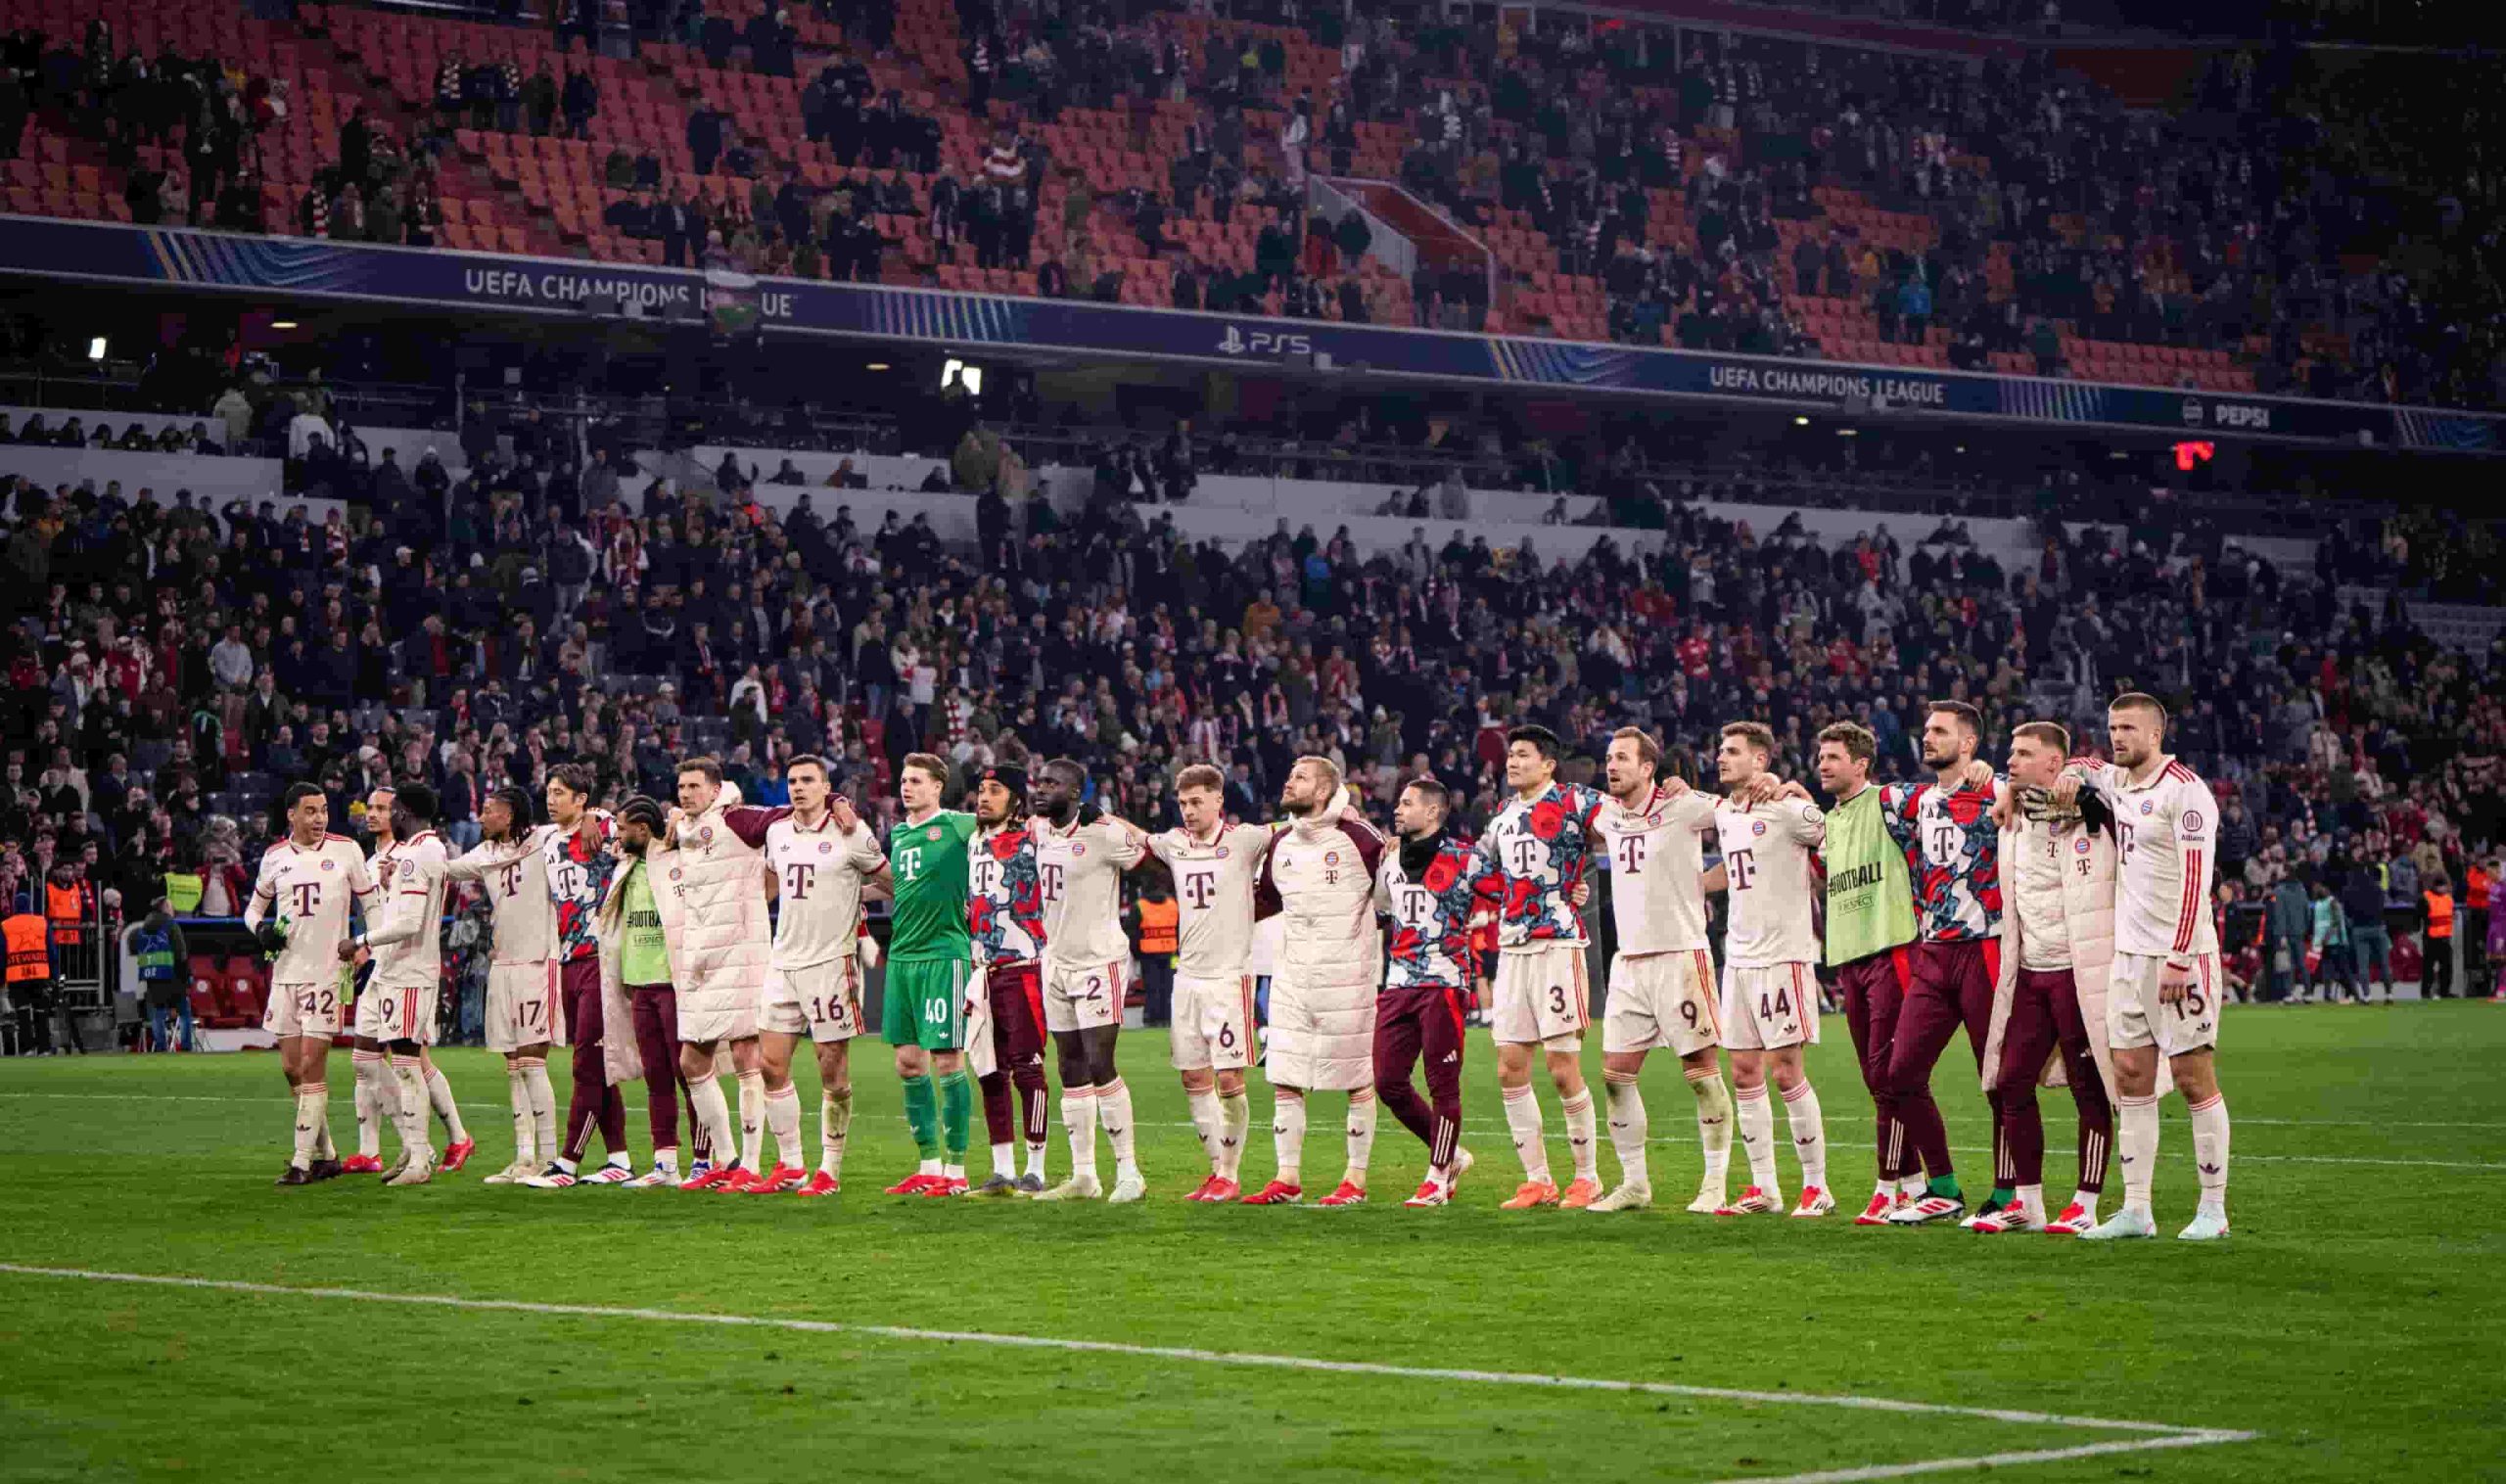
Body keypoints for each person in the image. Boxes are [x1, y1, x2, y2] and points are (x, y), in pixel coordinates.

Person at [2058, 693, 2233, 1241]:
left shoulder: (2186, 792)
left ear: (2156, 734)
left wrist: (2180, 957)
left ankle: (2212, 1210)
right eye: (2112, 727)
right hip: (2129, 959)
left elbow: (2196, 881)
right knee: (2130, 1077)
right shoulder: (2117, 781)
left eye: (2128, 728)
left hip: (2181, 957)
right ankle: (2136, 1210)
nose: (2118, 737)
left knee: (2190, 1076)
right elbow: (2087, 766)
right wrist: (2068, 772)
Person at [1971, 721, 2117, 1235]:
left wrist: (2078, 772)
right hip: (2030, 973)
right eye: (2010, 752)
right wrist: (2000, 781)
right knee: (2010, 1083)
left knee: (2089, 1088)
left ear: (2054, 764)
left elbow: (2109, 771)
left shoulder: (2087, 802)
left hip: (2078, 973)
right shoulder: (2014, 809)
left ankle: (2086, 1200)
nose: (2011, 760)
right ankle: (2027, 1203)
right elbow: (1978, 774)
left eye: (2024, 753)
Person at [1877, 701, 2013, 1227]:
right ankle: (1944, 1187)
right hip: (1934, 949)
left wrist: (1999, 777)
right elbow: (1855, 798)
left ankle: (2008, 1194)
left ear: (1969, 743)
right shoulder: (1908, 802)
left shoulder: (1996, 791)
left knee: (1998, 1077)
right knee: (1901, 1072)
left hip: (1985, 947)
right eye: (1926, 730)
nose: (1927, 738)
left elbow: (2050, 779)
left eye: (1940, 732)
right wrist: (1788, 790)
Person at [1589, 726, 1734, 1214]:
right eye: (1609, 758)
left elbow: (1742, 817)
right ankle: (1635, 1184)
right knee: (1615, 1075)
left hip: (1680, 956)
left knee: (1701, 1074)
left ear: (1648, 768)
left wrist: (1775, 785)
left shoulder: (1684, 805)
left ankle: (1714, 1183)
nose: (1612, 766)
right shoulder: (1607, 814)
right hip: (1629, 961)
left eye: (1623, 759)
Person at [1465, 723, 1609, 1209]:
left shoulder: (1575, 800)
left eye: (1523, 755)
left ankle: (1588, 1178)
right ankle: (1538, 1180)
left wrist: (1575, 879)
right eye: (1511, 755)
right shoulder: (1503, 813)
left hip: (1558, 945)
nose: (1512, 762)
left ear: (1548, 764)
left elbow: (1625, 822)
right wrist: (1512, 893)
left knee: (1562, 1067)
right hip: (1512, 948)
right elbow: (1478, 869)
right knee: (1509, 1068)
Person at [1243, 756, 1386, 1206]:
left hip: (1348, 977)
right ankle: (1287, 1178)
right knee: (1285, 1075)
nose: (1289, 782)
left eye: (1300, 777)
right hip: (1292, 976)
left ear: (1323, 790)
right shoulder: (1282, 841)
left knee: (1357, 1079)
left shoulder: (1359, 838)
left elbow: (1392, 894)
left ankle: (1354, 1181)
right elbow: (1263, 901)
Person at [1706, 722, 1833, 1217]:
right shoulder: (1723, 812)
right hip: (1737, 959)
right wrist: (1692, 886)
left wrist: (1797, 789)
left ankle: (1817, 1187)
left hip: (1783, 957)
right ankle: (1764, 1188)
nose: (1721, 757)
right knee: (1742, 1072)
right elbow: (1732, 870)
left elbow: (1834, 832)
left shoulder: (1784, 809)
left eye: (1733, 751)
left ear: (1760, 761)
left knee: (1786, 1071)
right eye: (1721, 749)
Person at [751, 755, 884, 1193]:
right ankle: (790, 1166)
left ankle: (830, 1169)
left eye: (808, 780)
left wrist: (855, 891)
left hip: (831, 964)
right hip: (783, 961)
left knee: (832, 1067)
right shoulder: (777, 832)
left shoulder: (851, 832)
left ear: (826, 787)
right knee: (769, 1065)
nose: (798, 787)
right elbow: (770, 885)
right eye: (792, 781)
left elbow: (892, 881)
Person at [1812, 721, 1928, 1224]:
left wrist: (1979, 774)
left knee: (1889, 1076)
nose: (1822, 763)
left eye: (1833, 756)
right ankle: (1916, 1182)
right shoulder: (1831, 822)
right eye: (1820, 756)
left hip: (1891, 950)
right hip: (1848, 958)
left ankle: (1888, 1187)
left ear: (1860, 764)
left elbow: (1942, 798)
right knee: (1873, 1078)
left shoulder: (1890, 801)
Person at [1138, 764, 1270, 1202]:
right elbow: (1136, 838)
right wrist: (1095, 816)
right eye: (1183, 803)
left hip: (1229, 979)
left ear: (1218, 800)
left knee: (1230, 1078)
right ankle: (1216, 1171)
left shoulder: (1245, 840)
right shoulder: (1174, 843)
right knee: (1194, 1078)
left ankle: (1230, 1175)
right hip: (1187, 980)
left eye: (1197, 802)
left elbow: (1300, 826)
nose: (1189, 811)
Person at [1030, 758, 1151, 1202]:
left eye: (1052, 784)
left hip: (1100, 962)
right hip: (1055, 960)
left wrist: (1113, 817)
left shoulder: (1103, 835)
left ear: (1076, 793)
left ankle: (1129, 1173)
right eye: (1039, 781)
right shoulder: (1038, 830)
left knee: (1101, 1062)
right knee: (1069, 1066)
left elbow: (1150, 857)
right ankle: (1084, 1175)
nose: (1042, 789)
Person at [661, 756, 784, 1191]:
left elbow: (783, 816)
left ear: (716, 790)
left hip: (740, 954)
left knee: (748, 1054)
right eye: (681, 787)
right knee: (691, 1061)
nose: (686, 794)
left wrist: (839, 803)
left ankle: (750, 1165)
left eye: (694, 787)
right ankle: (728, 1159)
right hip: (699, 958)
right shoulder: (686, 828)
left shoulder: (737, 819)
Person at [245, 782, 376, 1184]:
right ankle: (328, 1155)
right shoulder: (274, 858)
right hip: (285, 973)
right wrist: (261, 930)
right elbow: (252, 910)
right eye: (310, 811)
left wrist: (369, 946)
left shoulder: (346, 850)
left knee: (310, 1065)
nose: (319, 819)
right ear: (291, 815)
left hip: (326, 974)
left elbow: (372, 905)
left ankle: (301, 1162)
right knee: (290, 1068)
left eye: (323, 811)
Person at [441, 785, 565, 1183]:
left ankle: (548, 1159)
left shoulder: (544, 839)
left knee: (532, 1062)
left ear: (509, 815)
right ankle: (523, 1157)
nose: (481, 818)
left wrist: (596, 818)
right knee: (512, 1067)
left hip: (537, 961)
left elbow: (584, 824)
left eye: (489, 811)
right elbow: (447, 869)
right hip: (504, 965)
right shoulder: (485, 854)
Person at [1372, 773, 1481, 1207]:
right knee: (1388, 1081)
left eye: (1406, 803)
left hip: (1444, 983)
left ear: (1433, 811)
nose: (1397, 810)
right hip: (1399, 982)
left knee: (1443, 1088)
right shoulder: (1390, 860)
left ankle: (1437, 1179)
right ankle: (1451, 1153)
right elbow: (1383, 909)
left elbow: (1512, 889)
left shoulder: (1467, 859)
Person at [877, 752, 982, 1197]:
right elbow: (898, 884)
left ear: (938, 786)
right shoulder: (898, 834)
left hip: (945, 956)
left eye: (917, 780)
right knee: (907, 1062)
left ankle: (956, 1172)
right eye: (904, 779)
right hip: (902, 957)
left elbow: (1005, 835)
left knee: (946, 1060)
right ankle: (928, 1164)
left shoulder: (960, 826)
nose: (907, 787)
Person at [526, 765, 631, 1183]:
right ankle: (619, 1160)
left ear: (581, 799)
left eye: (561, 792)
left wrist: (596, 816)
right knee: (597, 1064)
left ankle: (568, 1162)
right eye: (549, 791)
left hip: (602, 956)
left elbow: (634, 827)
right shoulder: (548, 840)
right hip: (568, 959)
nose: (551, 799)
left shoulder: (603, 824)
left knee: (587, 1064)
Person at [594, 795, 707, 1186]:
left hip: (673, 985)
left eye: (624, 828)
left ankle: (705, 1160)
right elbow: (594, 818)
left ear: (643, 830)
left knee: (689, 1074)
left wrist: (677, 814)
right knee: (656, 1077)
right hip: (639, 985)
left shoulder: (675, 861)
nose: (617, 834)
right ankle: (665, 1164)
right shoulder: (626, 865)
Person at [357, 782, 453, 1186]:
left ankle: (419, 1160)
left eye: (393, 808)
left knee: (408, 1068)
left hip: (408, 971)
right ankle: (414, 1152)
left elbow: (409, 922)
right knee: (405, 1065)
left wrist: (361, 941)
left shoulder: (415, 855)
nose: (389, 814)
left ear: (404, 812)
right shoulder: (431, 850)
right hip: (411, 971)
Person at [965, 763, 1053, 1194]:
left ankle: (1035, 1166)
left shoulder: (1036, 837)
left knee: (1028, 1067)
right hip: (982, 972)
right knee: (988, 1070)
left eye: (995, 790)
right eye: (981, 789)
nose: (984, 797)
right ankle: (1002, 1169)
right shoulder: (973, 839)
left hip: (1024, 968)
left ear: (1017, 799)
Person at [126, 898, 191, 1051]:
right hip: (173, 978)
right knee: (184, 1012)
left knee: (157, 1014)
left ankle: (161, 1048)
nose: (172, 907)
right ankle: (186, 1047)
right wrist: (186, 976)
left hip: (152, 978)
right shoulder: (171, 926)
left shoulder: (142, 929)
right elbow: (181, 954)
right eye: (170, 904)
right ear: (164, 907)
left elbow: (135, 950)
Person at [2309, 879, 2360, 1005]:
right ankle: (2327, 995)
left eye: (2318, 888)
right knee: (2327, 969)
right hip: (2323, 942)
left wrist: (2328, 937)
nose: (2316, 891)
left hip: (2335, 941)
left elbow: (2336, 922)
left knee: (2342, 969)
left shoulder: (2332, 902)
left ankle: (2354, 993)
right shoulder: (2319, 904)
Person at [2421, 875, 2456, 999]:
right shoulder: (2426, 898)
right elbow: (2420, 915)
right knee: (2428, 967)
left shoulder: (2448, 899)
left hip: (2445, 937)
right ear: (2435, 886)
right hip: (2431, 937)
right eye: (2441, 886)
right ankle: (2426, 992)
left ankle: (2444, 991)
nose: (2443, 889)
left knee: (2447, 967)